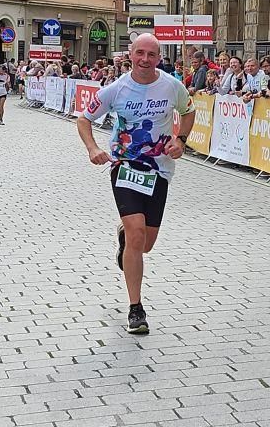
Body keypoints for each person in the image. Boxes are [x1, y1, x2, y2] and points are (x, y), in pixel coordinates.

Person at [77, 33, 196, 334]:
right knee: (137, 233)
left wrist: (181, 140)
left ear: (159, 58)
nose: (145, 59)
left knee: (146, 244)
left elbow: (189, 111)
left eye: (151, 54)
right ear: (130, 55)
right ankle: (136, 309)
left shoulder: (171, 86)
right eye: (139, 53)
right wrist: (92, 148)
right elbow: (84, 119)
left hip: (159, 170)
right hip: (124, 167)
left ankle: (125, 237)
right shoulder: (116, 89)